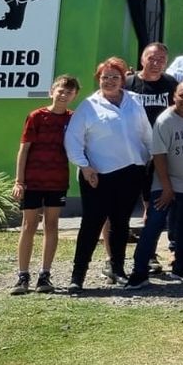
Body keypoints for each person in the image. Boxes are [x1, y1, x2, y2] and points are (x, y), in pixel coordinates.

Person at [63, 57, 151, 292]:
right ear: (98, 79)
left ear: (123, 79)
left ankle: (117, 269)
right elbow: (72, 139)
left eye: (115, 77)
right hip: (98, 175)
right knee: (92, 224)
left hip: (131, 171)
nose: (110, 81)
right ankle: (77, 275)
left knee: (121, 224)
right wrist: (84, 166)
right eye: (105, 77)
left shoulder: (134, 101)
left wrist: (151, 158)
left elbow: (146, 133)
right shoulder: (88, 106)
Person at [126, 77, 183, 289]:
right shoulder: (165, 121)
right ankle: (139, 271)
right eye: (182, 95)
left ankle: (181, 266)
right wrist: (167, 188)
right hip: (165, 185)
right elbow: (159, 156)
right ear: (174, 96)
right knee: (153, 226)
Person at [10, 72, 79, 294]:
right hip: (33, 180)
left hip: (57, 180)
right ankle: (22, 276)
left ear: (74, 96)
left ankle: (45, 274)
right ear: (52, 91)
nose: (63, 95)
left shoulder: (73, 118)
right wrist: (19, 181)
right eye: (61, 90)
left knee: (51, 225)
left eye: (69, 92)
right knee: (29, 225)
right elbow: (24, 149)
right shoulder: (36, 116)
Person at [125, 42, 175, 125]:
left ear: (166, 62)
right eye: (151, 59)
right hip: (135, 136)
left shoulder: (171, 83)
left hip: (161, 136)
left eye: (161, 60)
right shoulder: (128, 84)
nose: (156, 63)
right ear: (142, 60)